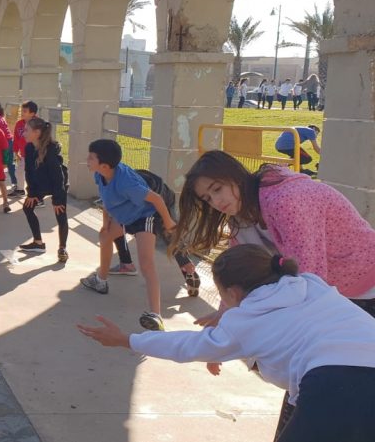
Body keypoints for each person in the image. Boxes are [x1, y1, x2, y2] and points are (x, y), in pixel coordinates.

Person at [78, 244, 375, 442]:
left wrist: (128, 340)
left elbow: (186, 347)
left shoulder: (243, 322)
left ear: (232, 292)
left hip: (337, 383)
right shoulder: (309, 283)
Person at [171, 150, 375, 315]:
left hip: (367, 283)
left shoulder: (285, 200)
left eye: (217, 189)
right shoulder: (240, 218)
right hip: (341, 292)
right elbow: (239, 273)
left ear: (235, 176)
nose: (215, 202)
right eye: (207, 198)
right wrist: (224, 317)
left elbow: (310, 278)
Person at [79, 139, 177, 331]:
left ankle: (156, 316)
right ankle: (101, 281)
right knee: (105, 237)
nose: (87, 160)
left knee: (147, 263)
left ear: (105, 165)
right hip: (124, 215)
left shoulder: (126, 183)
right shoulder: (100, 175)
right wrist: (105, 222)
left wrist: (168, 222)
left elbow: (156, 199)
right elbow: (106, 198)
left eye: (91, 157)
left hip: (144, 216)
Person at [17, 118, 70, 262]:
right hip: (40, 183)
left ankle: (62, 248)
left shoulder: (51, 149)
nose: (24, 133)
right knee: (28, 208)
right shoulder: (29, 147)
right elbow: (29, 171)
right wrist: (32, 193)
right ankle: (38, 243)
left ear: (37, 132)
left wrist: (57, 199)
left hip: (58, 183)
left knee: (60, 213)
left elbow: (57, 176)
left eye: (27, 130)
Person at [0, 99, 21, 197]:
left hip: (5, 142)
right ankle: (16, 185)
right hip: (8, 141)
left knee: (0, 164)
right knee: (9, 165)